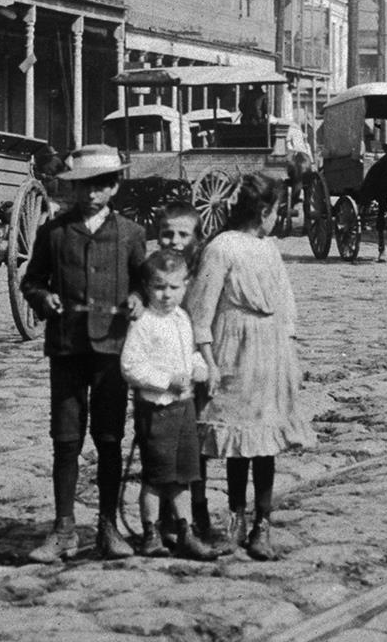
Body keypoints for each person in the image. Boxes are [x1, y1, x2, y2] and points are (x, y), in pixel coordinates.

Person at [20, 143, 149, 562]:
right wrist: (43, 300)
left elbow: (143, 283)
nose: (90, 194)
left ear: (113, 187)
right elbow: (31, 281)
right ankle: (63, 529)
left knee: (109, 437)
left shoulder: (130, 234)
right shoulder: (53, 232)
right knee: (66, 438)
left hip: (112, 348)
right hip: (67, 347)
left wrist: (136, 298)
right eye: (82, 187)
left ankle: (108, 527)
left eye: (99, 186)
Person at [184, 174, 314, 560]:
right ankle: (234, 517)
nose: (278, 218)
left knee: (264, 441)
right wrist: (208, 360)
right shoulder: (221, 247)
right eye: (276, 211)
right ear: (263, 211)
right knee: (238, 438)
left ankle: (263, 523)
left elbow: (286, 303)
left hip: (268, 350)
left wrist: (288, 354)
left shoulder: (269, 249)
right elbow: (200, 310)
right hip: (233, 350)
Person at [120, 249, 217, 560]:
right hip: (157, 409)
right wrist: (165, 380)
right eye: (159, 287)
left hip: (184, 408)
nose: (166, 295)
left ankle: (184, 530)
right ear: (147, 287)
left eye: (174, 288)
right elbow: (131, 366)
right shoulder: (144, 323)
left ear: (185, 286)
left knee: (183, 476)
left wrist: (199, 368)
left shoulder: (182, 319)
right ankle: (150, 532)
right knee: (156, 477)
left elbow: (187, 355)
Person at [153, 203, 229, 555]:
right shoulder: (154, 270)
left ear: (197, 238)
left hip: (196, 363)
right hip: (162, 370)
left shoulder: (202, 268)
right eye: (168, 233)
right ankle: (164, 518)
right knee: (163, 445)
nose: (175, 241)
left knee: (195, 445)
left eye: (184, 234)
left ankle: (196, 512)